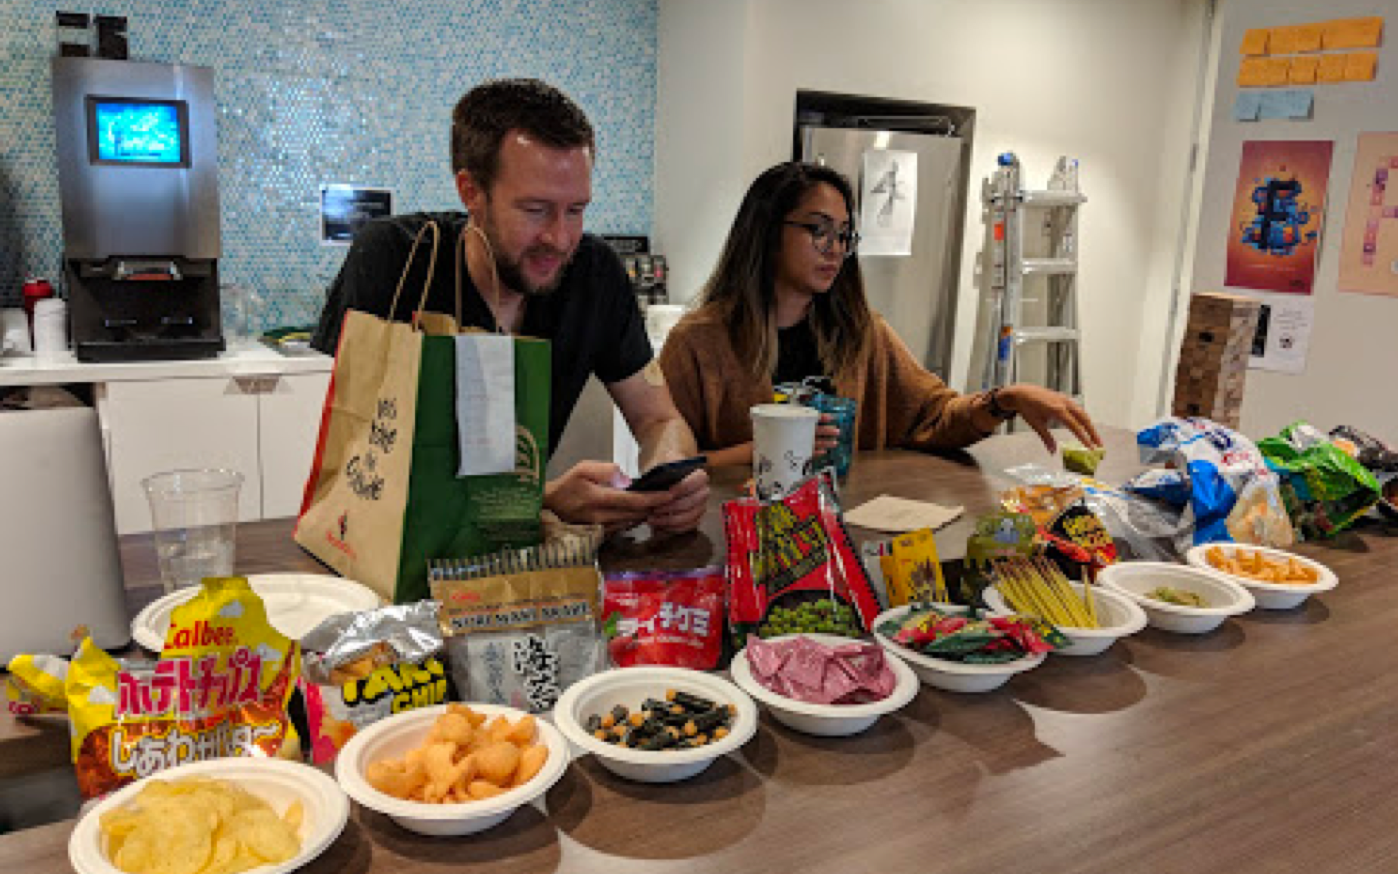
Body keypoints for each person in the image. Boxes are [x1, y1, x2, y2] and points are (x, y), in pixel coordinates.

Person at [312, 78, 707, 533]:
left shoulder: (595, 273)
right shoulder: (395, 261)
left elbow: (658, 417)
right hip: (391, 551)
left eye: (576, 210)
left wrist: (673, 474)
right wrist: (548, 499)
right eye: (535, 210)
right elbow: (347, 463)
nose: (559, 239)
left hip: (514, 567)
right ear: (471, 192)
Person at [659, 161, 1101, 465]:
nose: (834, 248)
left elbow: (936, 417)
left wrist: (1005, 399)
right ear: (765, 231)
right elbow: (667, 465)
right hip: (738, 543)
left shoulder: (861, 334)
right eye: (817, 230)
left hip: (847, 533)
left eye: (844, 235)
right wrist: (770, 448)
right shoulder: (698, 342)